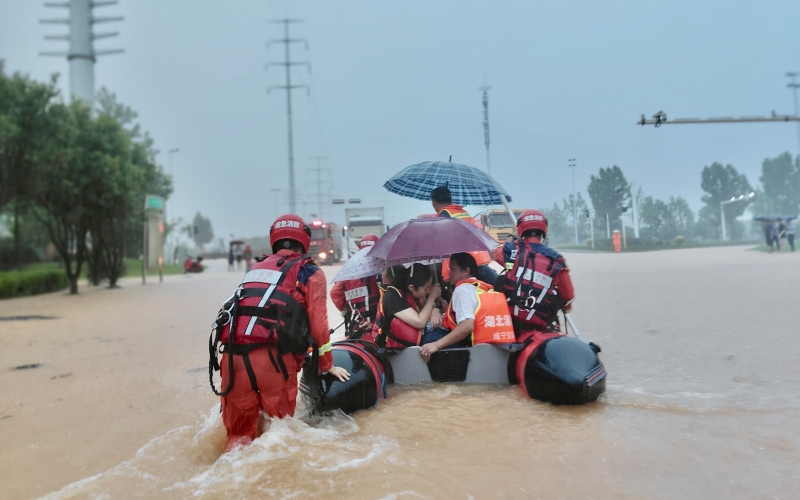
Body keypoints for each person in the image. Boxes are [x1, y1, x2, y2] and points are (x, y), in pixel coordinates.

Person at [212, 214, 350, 452]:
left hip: (232, 359)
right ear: (304, 239)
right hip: (274, 361)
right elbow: (319, 325)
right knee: (279, 438)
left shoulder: (255, 268)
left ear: (274, 239)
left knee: (237, 439)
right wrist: (327, 364)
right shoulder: (309, 272)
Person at [493, 209, 575, 337]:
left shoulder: (510, 249)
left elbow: (496, 253)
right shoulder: (558, 260)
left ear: (520, 228)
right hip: (540, 325)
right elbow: (568, 298)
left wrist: (513, 236)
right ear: (544, 230)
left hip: (508, 321)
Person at [419, 253, 515, 362]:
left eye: (453, 269)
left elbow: (467, 326)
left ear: (466, 271)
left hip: (471, 347)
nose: (449, 273)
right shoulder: (480, 287)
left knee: (429, 338)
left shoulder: (462, 289)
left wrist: (436, 345)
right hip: (495, 347)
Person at [430, 185, 499, 285]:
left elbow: (443, 243)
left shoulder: (444, 214)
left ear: (434, 201)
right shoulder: (461, 211)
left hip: (463, 262)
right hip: (478, 258)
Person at [373, 264, 441, 348]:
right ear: (411, 287)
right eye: (426, 288)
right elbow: (419, 322)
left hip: (417, 345)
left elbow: (425, 309)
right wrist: (432, 297)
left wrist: (435, 309)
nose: (428, 291)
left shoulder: (413, 293)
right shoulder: (392, 296)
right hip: (395, 351)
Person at [330, 235, 382, 338]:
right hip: (376, 330)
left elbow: (335, 293)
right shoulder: (380, 271)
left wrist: (349, 309)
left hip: (354, 331)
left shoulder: (347, 272)